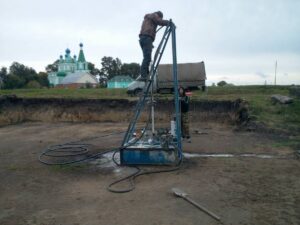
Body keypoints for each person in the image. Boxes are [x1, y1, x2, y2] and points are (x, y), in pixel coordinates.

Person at [139, 11, 169, 81]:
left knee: (147, 58)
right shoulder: (154, 15)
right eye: (160, 18)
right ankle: (143, 76)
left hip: (143, 39)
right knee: (147, 58)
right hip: (147, 38)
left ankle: (145, 75)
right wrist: (168, 23)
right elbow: (159, 22)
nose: (160, 19)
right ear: (159, 16)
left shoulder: (148, 18)